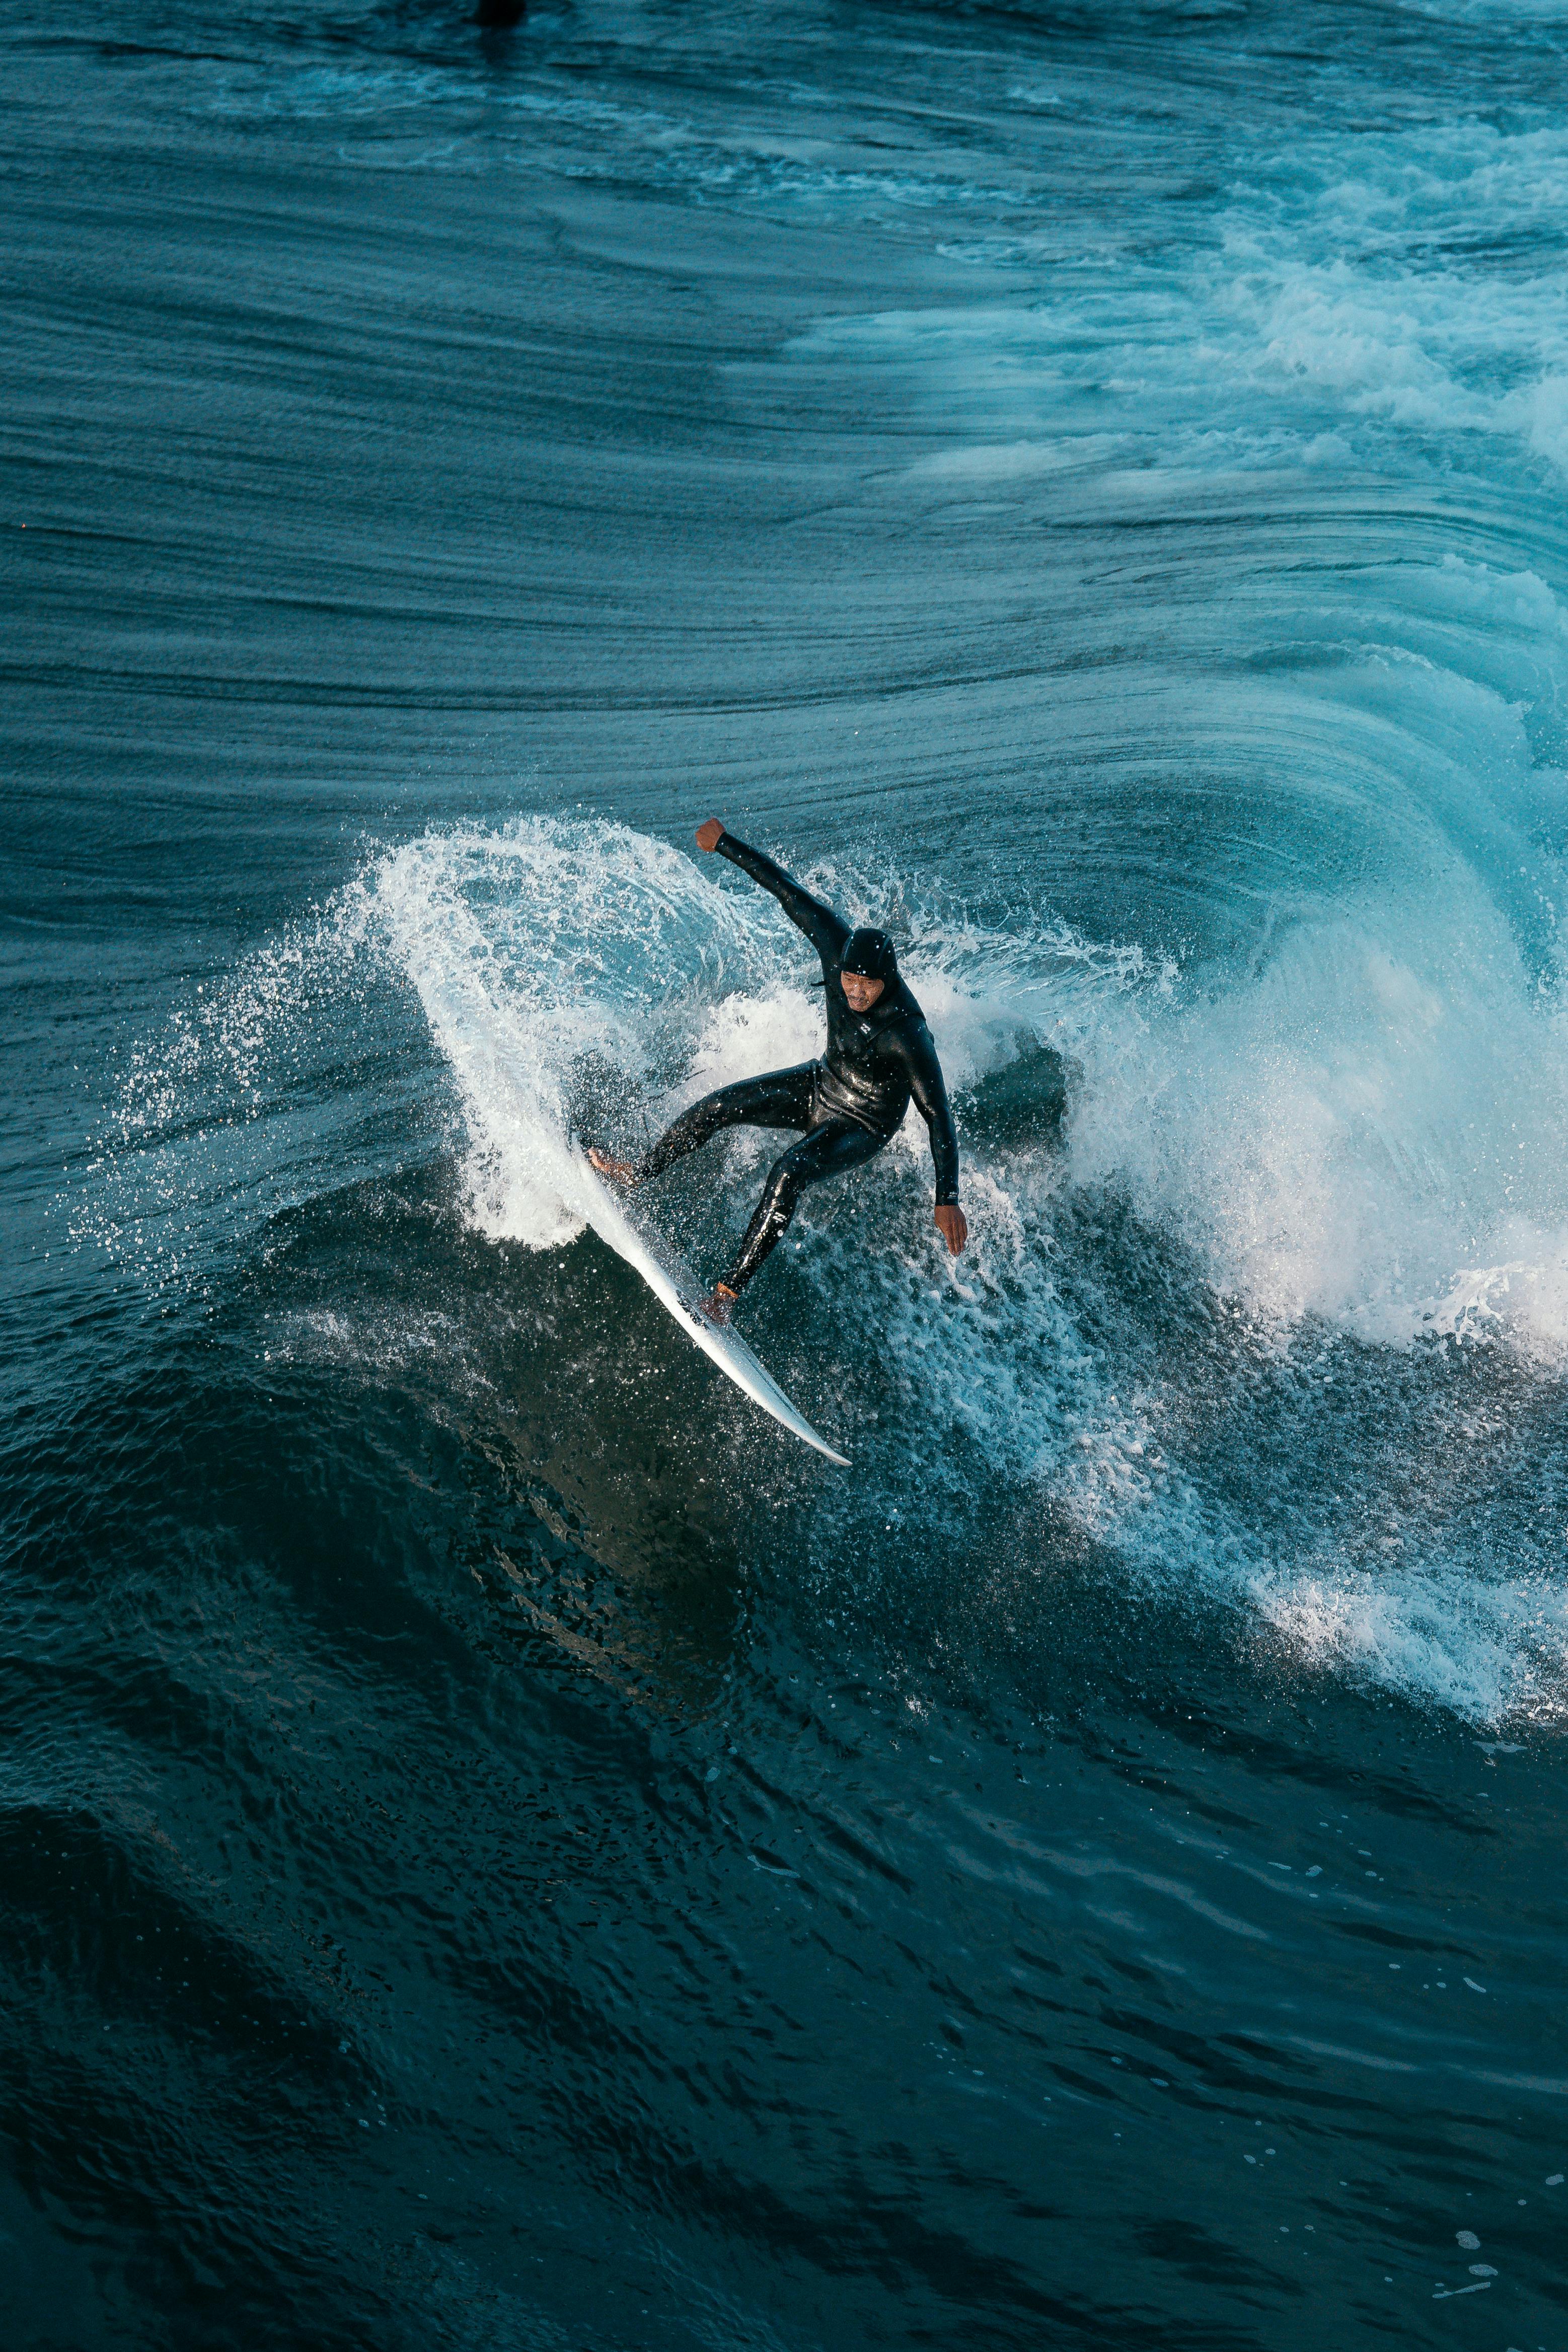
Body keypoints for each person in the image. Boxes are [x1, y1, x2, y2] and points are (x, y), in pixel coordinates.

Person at [590, 819, 967, 1324]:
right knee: (720, 1105)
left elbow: (937, 1113)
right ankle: (637, 1174)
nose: (854, 992)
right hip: (820, 1084)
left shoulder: (907, 1032)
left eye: (866, 986)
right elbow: (786, 889)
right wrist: (724, 843)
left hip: (864, 1124)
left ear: (888, 980)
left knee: (789, 1170)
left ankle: (725, 1297)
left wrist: (947, 1197)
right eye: (848, 981)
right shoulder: (838, 946)